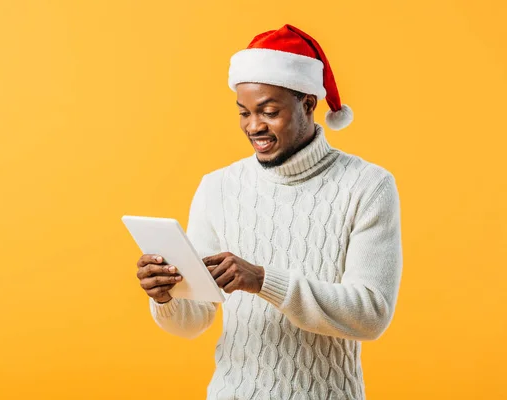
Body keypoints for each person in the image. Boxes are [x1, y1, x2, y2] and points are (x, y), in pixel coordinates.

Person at [135, 24, 403, 400]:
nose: (254, 126)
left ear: (308, 104)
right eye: (244, 113)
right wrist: (167, 296)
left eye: (269, 111)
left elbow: (371, 314)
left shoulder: (368, 186)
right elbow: (194, 321)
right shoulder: (218, 187)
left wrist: (263, 280)